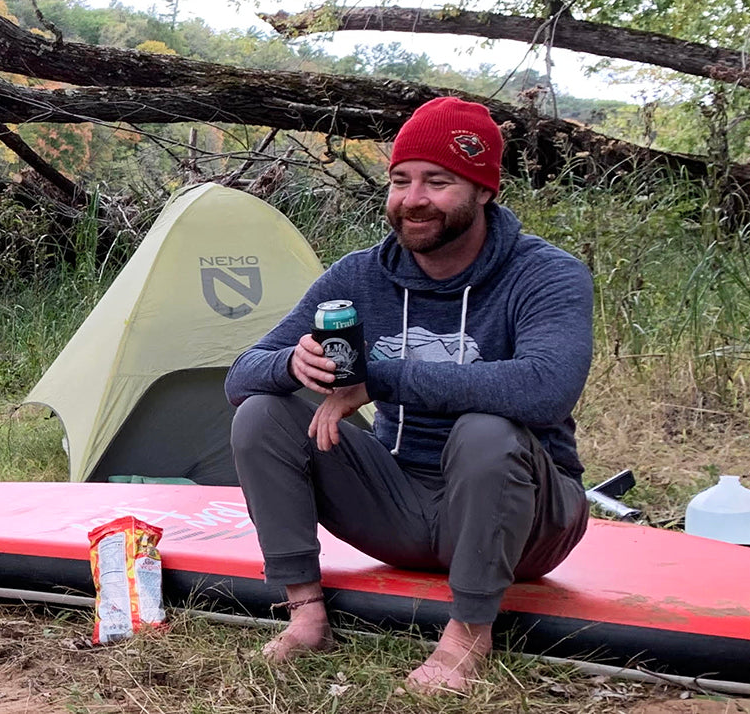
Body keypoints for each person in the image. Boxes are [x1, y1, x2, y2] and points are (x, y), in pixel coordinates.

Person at [224, 96, 593, 695]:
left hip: (527, 522)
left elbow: (546, 389)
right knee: (264, 410)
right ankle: (305, 612)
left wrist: (380, 377)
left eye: (437, 181)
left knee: (487, 428)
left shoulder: (546, 274)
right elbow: (240, 375)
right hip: (401, 508)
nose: (413, 198)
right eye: (400, 180)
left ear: (483, 190)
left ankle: (470, 634)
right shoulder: (362, 275)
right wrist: (294, 363)